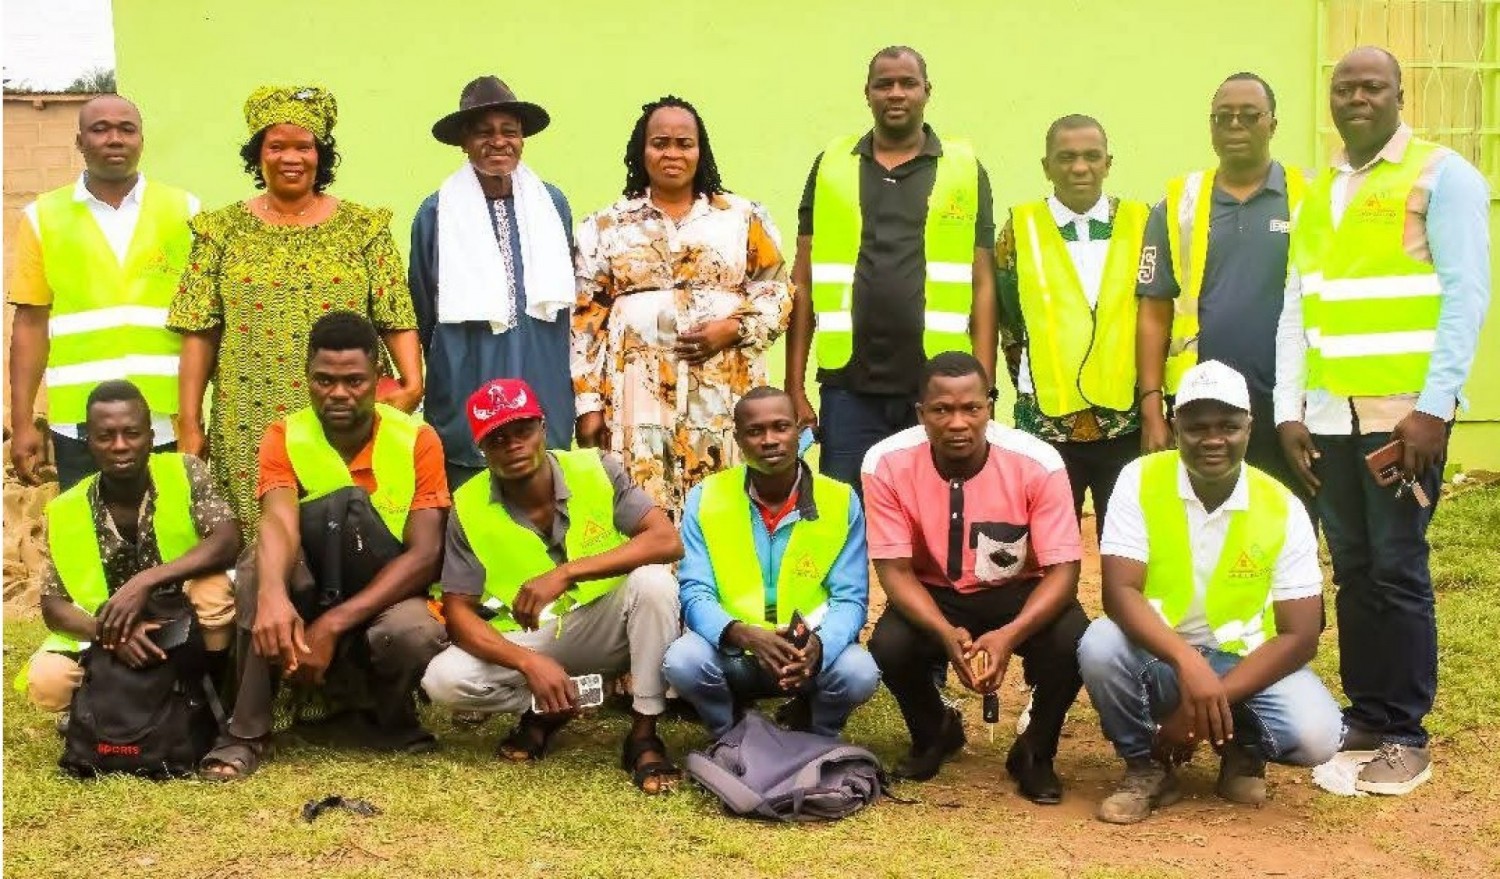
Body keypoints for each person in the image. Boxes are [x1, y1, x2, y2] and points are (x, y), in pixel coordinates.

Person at [1274, 47, 1491, 795]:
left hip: (1404, 416)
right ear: (1329, 99)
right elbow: (1299, 305)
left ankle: (1405, 732)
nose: (1357, 97)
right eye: (1345, 87)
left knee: (1398, 568)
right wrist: (1287, 409)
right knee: (1356, 568)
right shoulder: (1319, 189)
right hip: (1331, 416)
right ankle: (1365, 714)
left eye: (1373, 86)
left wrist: (1435, 406)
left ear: (1401, 95)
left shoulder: (1442, 176)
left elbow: (1466, 295)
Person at [1079, 360, 1341, 824]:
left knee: (1318, 734)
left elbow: (1300, 634)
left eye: (1229, 425)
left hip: (1243, 659)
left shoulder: (1283, 507)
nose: (1213, 439)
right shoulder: (1139, 480)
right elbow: (1119, 593)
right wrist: (1189, 663)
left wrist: (1203, 702)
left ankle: (1243, 750)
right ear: (1176, 425)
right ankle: (1147, 767)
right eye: (1197, 426)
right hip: (1162, 655)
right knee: (1100, 643)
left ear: (1249, 427)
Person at [199, 312, 449, 779]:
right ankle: (245, 733)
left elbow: (425, 554)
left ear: (379, 378)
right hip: (309, 592)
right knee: (258, 567)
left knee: (417, 633)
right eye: (324, 380)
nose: (337, 393)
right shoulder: (283, 435)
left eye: (354, 381)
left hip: (384, 594)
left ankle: (387, 721)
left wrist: (333, 625)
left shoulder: (418, 438)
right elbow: (277, 521)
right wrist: (273, 596)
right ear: (307, 378)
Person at [168, 85, 424, 535]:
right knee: (262, 536)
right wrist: (190, 422)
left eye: (303, 146)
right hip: (249, 413)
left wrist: (411, 384)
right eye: (277, 146)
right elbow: (199, 331)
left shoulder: (364, 228)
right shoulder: (219, 231)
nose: (291, 157)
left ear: (320, 155)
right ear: (257, 155)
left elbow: (395, 315)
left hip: (349, 412)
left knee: (351, 530)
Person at [421, 378, 686, 794]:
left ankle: (644, 733)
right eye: (497, 437)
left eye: (523, 430)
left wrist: (566, 573)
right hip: (537, 638)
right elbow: (457, 611)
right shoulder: (468, 505)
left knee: (655, 583)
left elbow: (666, 541)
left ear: (543, 428)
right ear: (481, 449)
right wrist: (528, 664)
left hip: (610, 624)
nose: (513, 445)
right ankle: (549, 708)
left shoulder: (597, 467)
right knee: (445, 680)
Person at [864, 352, 1087, 803]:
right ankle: (934, 733)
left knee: (1073, 639)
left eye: (972, 408)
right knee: (890, 643)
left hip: (1018, 591)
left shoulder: (1038, 463)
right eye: (942, 410)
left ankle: (1035, 751)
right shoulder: (884, 463)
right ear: (921, 414)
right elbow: (894, 571)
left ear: (991, 407)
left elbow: (1064, 569)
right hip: (935, 593)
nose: (958, 423)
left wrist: (1008, 636)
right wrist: (946, 633)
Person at [786, 45, 996, 490]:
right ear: (867, 93)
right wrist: (794, 386)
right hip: (848, 387)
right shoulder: (830, 165)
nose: (896, 93)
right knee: (848, 519)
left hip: (939, 390)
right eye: (884, 84)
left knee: (938, 520)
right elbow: (801, 281)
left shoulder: (963, 168)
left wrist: (984, 388)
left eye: (907, 83)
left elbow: (982, 283)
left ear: (926, 92)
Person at [573, 96, 791, 521]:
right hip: (635, 394)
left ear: (700, 150)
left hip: (725, 388)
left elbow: (778, 290)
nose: (672, 153)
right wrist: (588, 406)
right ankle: (652, 585)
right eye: (660, 143)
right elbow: (584, 319)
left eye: (683, 143)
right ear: (642, 151)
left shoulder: (741, 216)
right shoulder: (605, 225)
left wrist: (734, 329)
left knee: (722, 499)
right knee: (642, 496)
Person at [663, 386, 879, 739]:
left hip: (806, 656)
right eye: (755, 431)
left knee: (859, 672)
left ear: (800, 431)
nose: (770, 440)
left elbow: (851, 600)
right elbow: (694, 591)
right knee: (683, 661)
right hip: (735, 651)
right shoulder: (707, 497)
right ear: (738, 439)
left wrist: (819, 647)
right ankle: (728, 733)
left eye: (781, 427)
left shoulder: (839, 500)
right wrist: (743, 634)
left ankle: (818, 735)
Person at [8, 95, 200, 490]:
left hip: (163, 417)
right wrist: (23, 421)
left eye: (126, 129)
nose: (115, 139)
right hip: (81, 422)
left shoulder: (186, 211)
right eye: (100, 130)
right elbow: (30, 323)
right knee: (88, 536)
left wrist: (194, 417)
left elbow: (202, 324)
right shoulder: (42, 217)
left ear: (141, 140)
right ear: (80, 142)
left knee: (172, 535)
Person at [1137, 72, 1311, 507]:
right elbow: (1154, 311)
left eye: (1250, 116)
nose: (1235, 126)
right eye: (1223, 117)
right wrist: (1152, 405)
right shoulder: (1179, 204)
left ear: (1272, 124)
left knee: (1289, 518)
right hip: (1203, 404)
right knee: (1202, 524)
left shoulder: (1310, 197)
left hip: (1290, 400)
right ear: (1210, 126)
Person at [22, 379, 239, 714]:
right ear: (88, 442)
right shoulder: (66, 509)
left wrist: (145, 580)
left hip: (181, 623)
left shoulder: (185, 471)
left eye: (132, 433)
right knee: (48, 679)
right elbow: (53, 606)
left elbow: (227, 539)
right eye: (106, 436)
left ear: (152, 437)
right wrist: (110, 635)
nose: (120, 445)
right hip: (110, 635)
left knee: (213, 591)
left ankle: (205, 703)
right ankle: (108, 713)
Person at [411, 75, 578, 489]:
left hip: (542, 370)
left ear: (523, 139)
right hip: (466, 370)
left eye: (509, 132)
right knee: (470, 499)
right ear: (464, 143)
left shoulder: (552, 204)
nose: (498, 142)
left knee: (545, 491)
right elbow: (423, 309)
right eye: (484, 133)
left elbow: (571, 298)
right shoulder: (436, 213)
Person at [997, 114, 1146, 537]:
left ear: (1108, 163)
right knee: (1047, 542)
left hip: (1126, 419)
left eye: (1091, 156)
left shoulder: (1142, 222)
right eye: (1066, 157)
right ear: (1047, 166)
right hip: (1045, 421)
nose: (1079, 167)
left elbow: (1156, 315)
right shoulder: (1019, 229)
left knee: (1126, 540)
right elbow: (1010, 320)